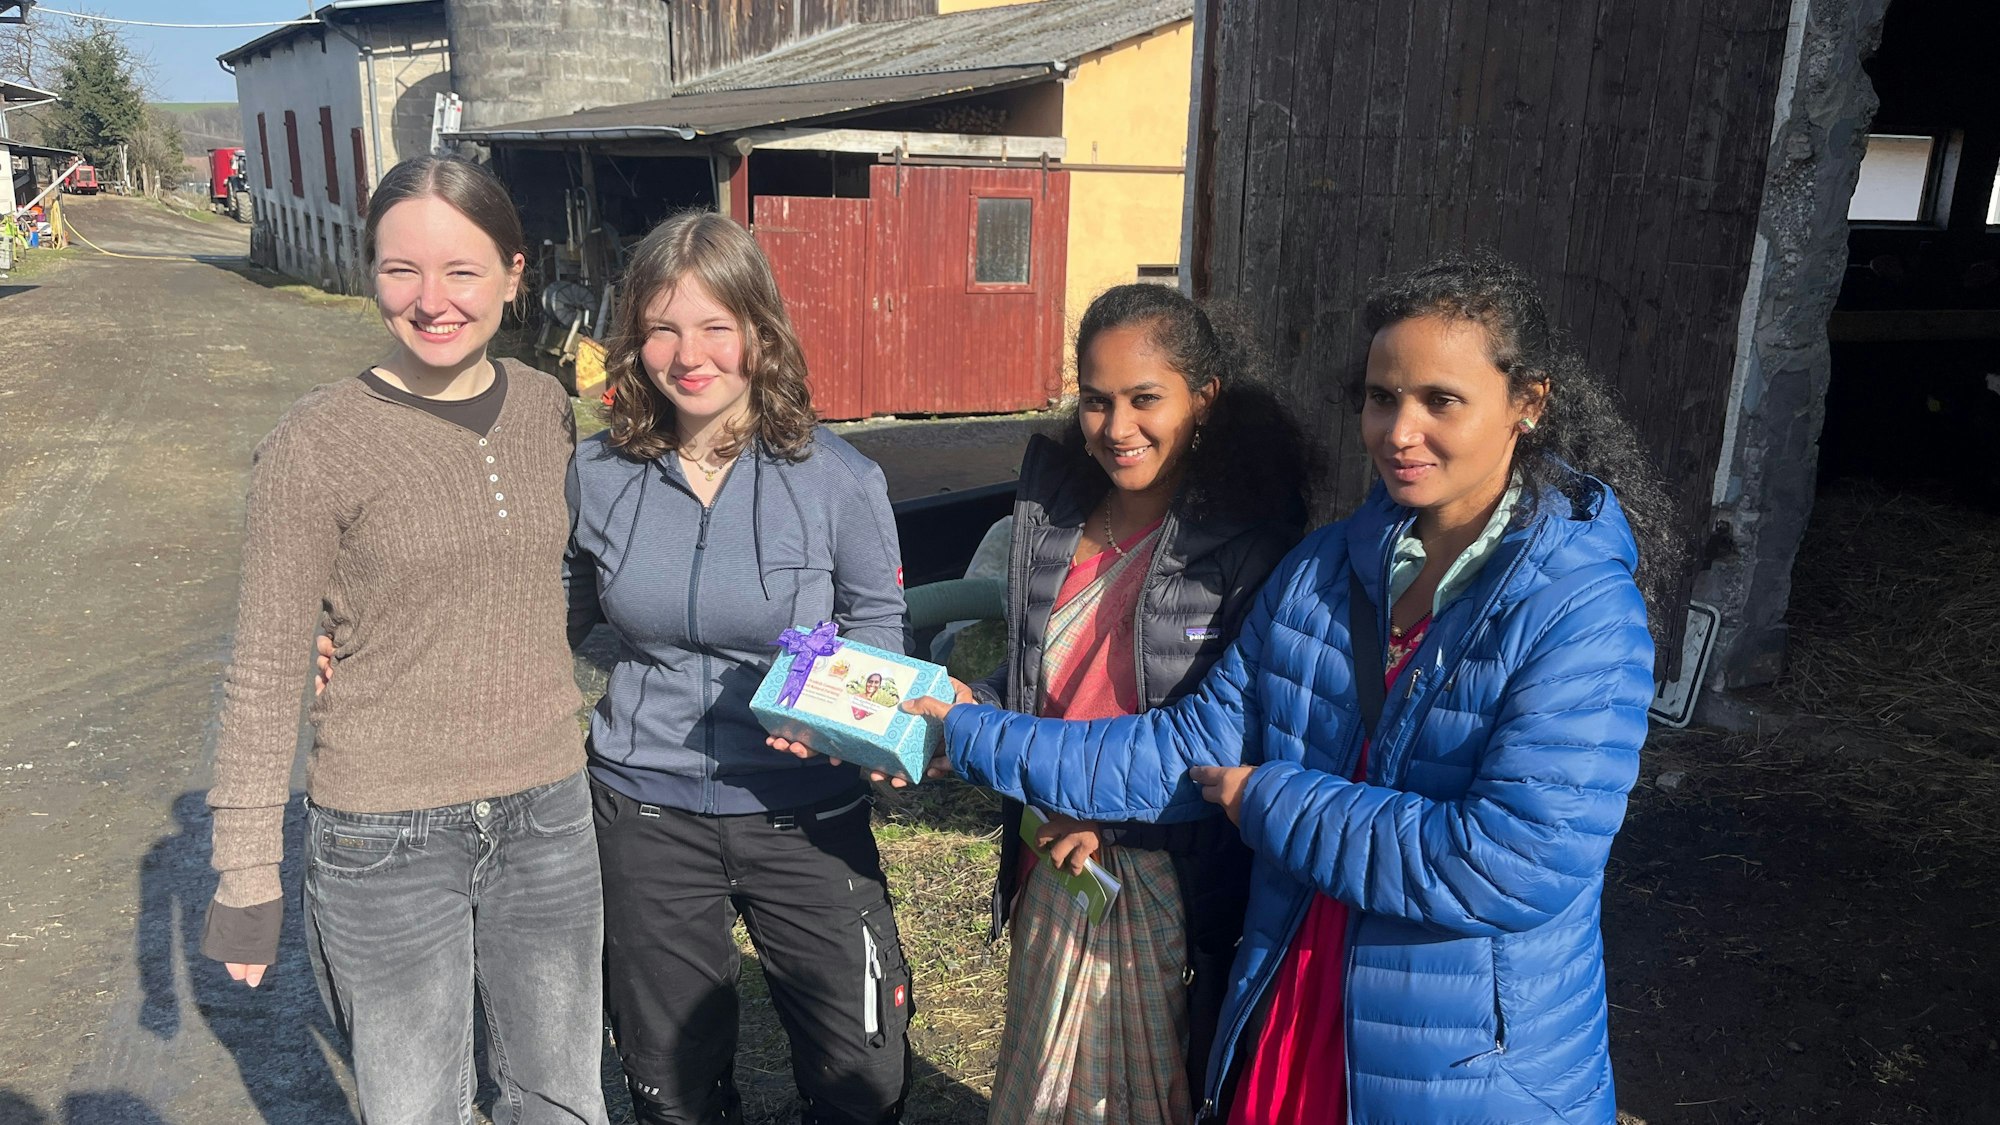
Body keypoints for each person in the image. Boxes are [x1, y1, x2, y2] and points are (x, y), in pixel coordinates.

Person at [913, 251, 1678, 1123]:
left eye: (1440, 400)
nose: (1399, 430)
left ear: (1527, 404)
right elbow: (1188, 745)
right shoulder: (1327, 570)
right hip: (1293, 997)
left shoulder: (1579, 610)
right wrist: (973, 732)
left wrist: (1274, 802)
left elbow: (1509, 863)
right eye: (1382, 396)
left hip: (1456, 1057)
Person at [201, 155, 607, 1125]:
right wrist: (246, 874)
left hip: (548, 810)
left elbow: (566, 583)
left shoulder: (545, 408)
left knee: (561, 1098)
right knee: (415, 1107)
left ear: (514, 273)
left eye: (461, 270)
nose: (432, 301)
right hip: (383, 835)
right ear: (368, 271)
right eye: (400, 270)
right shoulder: (315, 442)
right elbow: (262, 666)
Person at [565, 210, 913, 1125]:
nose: (690, 353)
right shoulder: (597, 474)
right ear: (634, 338)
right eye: (662, 327)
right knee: (671, 1088)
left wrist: (871, 729)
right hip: (646, 807)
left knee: (863, 1077)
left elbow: (880, 632)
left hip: (804, 809)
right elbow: (541, 623)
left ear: (760, 332)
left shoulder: (839, 478)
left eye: (716, 325)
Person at [968, 284, 1310, 1123]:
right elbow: (1036, 686)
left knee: (1129, 1094)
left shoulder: (1248, 546)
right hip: (1048, 852)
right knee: (1042, 1074)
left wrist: (1115, 822)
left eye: (1145, 398)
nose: (1117, 427)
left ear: (1205, 399)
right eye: (1096, 400)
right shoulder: (1049, 516)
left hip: (1162, 874)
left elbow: (1238, 733)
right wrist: (956, 710)